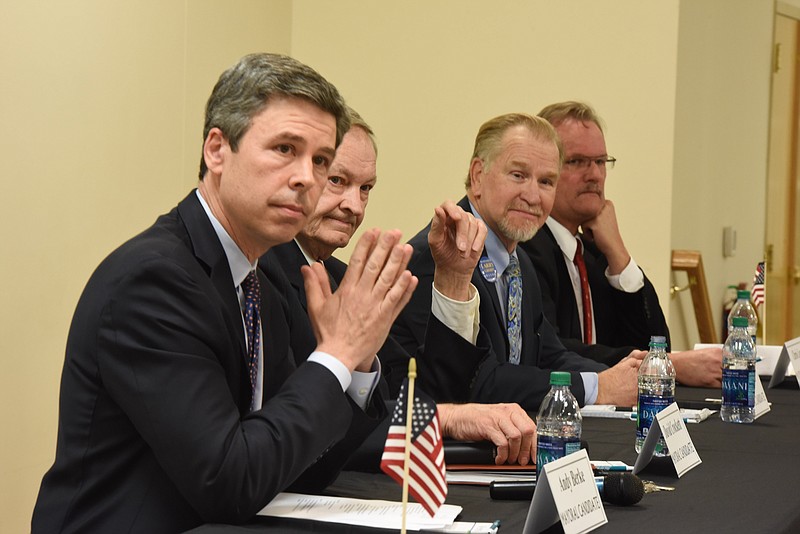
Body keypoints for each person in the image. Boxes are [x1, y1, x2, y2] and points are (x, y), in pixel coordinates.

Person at [32, 53, 420, 533]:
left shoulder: (261, 280)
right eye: (284, 149)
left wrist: (357, 364)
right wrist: (336, 354)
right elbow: (229, 481)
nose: (306, 177)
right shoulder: (153, 281)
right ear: (217, 149)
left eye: (321, 160)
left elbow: (297, 472)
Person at [261, 107, 537, 466]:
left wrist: (453, 281)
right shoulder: (263, 271)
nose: (353, 206)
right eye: (337, 181)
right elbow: (299, 424)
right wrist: (449, 419)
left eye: (366, 188)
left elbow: (418, 395)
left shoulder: (343, 278)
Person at [392, 113, 643, 413]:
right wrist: (597, 388)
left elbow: (551, 356)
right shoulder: (438, 256)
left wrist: (621, 375)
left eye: (547, 181)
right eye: (518, 175)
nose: (533, 196)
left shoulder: (518, 261)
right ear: (477, 176)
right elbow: (480, 382)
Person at [520, 101, 721, 387]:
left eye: (601, 161)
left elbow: (653, 341)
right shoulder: (526, 247)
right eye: (577, 161)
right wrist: (666, 365)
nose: (594, 175)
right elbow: (552, 351)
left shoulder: (592, 250)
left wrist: (618, 254)